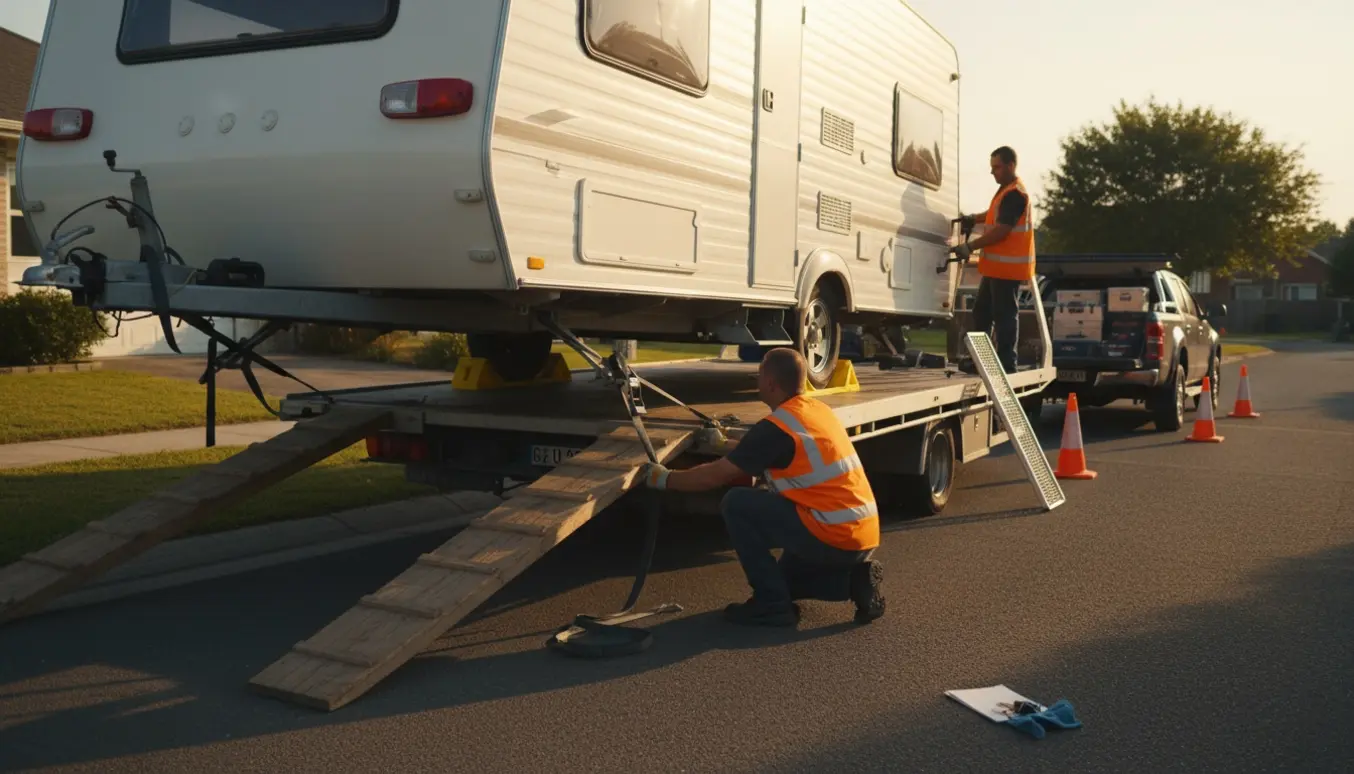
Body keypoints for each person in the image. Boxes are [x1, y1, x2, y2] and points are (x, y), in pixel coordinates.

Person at [639, 348, 885, 627]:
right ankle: (855, 583)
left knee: (737, 503)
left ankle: (772, 607)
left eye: (759, 376)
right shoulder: (815, 412)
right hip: (859, 534)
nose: (757, 382)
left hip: (831, 533)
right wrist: (722, 443)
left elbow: (715, 476)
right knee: (783, 581)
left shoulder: (777, 427)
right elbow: (767, 450)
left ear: (770, 383)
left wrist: (664, 478)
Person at [950, 146, 1036, 374]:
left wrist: (970, 246)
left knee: (1004, 316)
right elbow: (992, 216)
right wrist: (973, 218)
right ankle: (983, 359)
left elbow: (1001, 231)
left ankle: (1007, 364)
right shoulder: (1006, 191)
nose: (992, 172)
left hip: (1007, 269)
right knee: (982, 313)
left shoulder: (1015, 194)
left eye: (996, 167)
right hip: (997, 269)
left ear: (1010, 165)